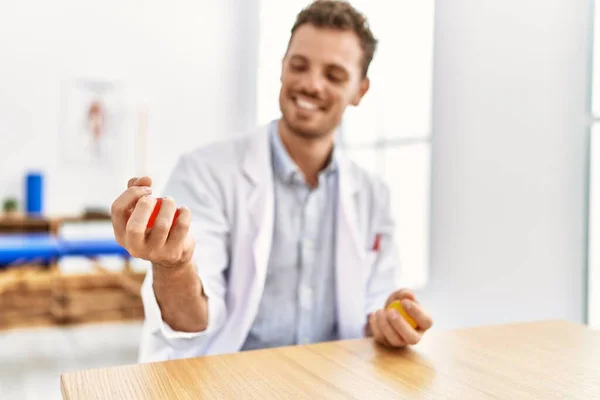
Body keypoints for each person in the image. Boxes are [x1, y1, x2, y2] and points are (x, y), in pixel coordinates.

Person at [110, 0, 433, 363]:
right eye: (299, 66)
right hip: (232, 381)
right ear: (282, 68)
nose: (311, 84)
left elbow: (375, 309)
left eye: (334, 75)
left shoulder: (374, 195)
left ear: (360, 91)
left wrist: (389, 321)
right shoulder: (205, 172)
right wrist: (173, 266)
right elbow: (191, 323)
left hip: (335, 381)